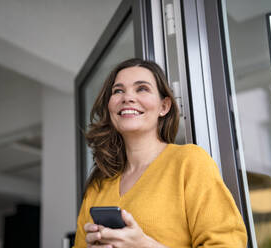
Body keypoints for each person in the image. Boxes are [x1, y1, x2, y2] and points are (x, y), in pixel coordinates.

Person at [73, 58, 247, 248]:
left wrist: (145, 245)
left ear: (164, 107)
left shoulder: (189, 162)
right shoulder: (99, 183)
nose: (127, 97)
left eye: (142, 89)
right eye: (118, 91)